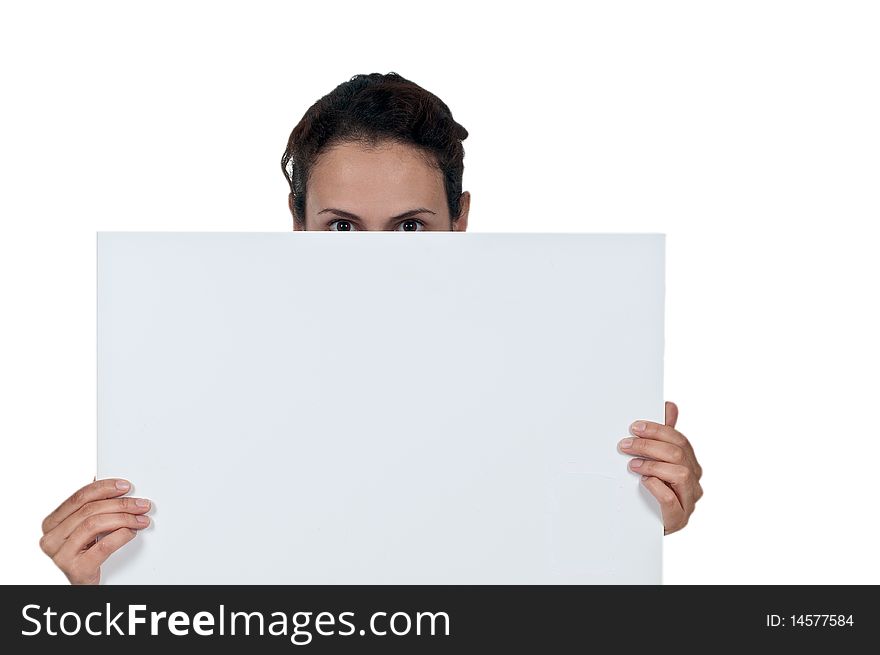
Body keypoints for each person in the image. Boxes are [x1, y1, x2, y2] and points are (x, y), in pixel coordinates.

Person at [40, 73, 703, 584]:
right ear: (297, 222)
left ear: (460, 218)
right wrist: (106, 593)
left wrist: (633, 520)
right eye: (341, 227)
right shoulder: (199, 378)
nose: (377, 260)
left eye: (410, 226)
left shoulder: (559, 371)